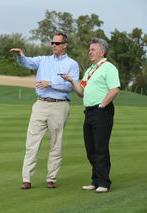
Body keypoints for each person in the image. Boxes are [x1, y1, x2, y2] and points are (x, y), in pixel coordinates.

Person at [10, 32, 79, 190]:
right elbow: (27, 63)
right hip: (40, 104)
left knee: (56, 142)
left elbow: (71, 86)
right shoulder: (43, 60)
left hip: (60, 105)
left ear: (64, 45)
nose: (53, 45)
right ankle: (27, 179)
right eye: (52, 43)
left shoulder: (72, 64)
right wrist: (20, 55)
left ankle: (51, 178)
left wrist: (51, 83)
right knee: (32, 143)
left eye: (56, 43)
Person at [61, 38, 120, 193]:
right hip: (89, 112)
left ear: (102, 51)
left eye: (92, 49)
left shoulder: (109, 68)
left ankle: (104, 183)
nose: (90, 52)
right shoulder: (89, 70)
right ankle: (95, 181)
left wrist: (102, 106)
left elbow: (114, 89)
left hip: (102, 112)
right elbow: (81, 92)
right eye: (89, 50)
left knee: (100, 147)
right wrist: (71, 81)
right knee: (91, 149)